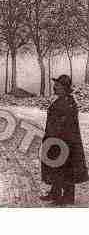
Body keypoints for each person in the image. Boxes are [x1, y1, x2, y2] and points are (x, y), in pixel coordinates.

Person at [41, 75, 89, 206]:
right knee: (55, 166)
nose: (54, 87)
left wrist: (55, 138)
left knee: (66, 168)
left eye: (58, 85)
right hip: (56, 139)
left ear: (64, 88)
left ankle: (67, 197)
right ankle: (55, 192)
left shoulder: (68, 103)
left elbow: (65, 125)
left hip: (65, 141)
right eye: (55, 84)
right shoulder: (61, 100)